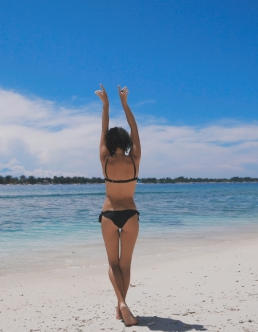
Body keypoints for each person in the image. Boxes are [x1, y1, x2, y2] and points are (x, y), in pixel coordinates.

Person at [94, 84, 141, 326]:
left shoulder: (104, 160)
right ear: (127, 142)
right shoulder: (135, 160)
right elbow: (134, 128)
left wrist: (106, 105)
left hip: (109, 214)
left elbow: (103, 130)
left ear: (110, 143)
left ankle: (120, 303)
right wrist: (125, 104)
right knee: (126, 264)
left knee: (113, 263)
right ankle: (121, 305)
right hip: (130, 214)